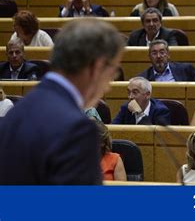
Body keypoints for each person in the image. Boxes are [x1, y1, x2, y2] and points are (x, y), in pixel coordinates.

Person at [0, 19, 124, 184]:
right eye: (113, 72)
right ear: (97, 66)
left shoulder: (18, 110)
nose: (109, 85)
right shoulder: (77, 129)